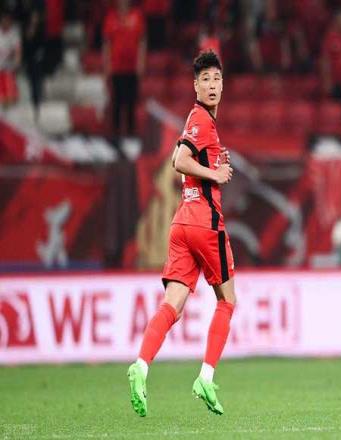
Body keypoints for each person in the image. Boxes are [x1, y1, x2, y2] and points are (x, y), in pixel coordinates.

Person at [127, 50, 235, 417]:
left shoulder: (196, 120)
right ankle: (206, 377)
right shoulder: (201, 119)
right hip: (205, 222)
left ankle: (141, 366)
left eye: (216, 78)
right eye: (205, 79)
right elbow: (179, 161)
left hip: (181, 224)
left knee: (171, 305)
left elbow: (186, 153)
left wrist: (214, 165)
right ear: (195, 86)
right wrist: (214, 174)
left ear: (223, 84)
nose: (212, 85)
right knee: (227, 300)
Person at [103, 0, 146, 138]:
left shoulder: (137, 16)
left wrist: (141, 62)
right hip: (116, 68)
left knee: (131, 103)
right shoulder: (111, 17)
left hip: (132, 68)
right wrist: (106, 64)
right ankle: (115, 135)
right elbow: (107, 43)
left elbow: (142, 41)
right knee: (116, 102)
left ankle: (130, 134)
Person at [0, 9, 21, 109]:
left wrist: (17, 63)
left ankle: (9, 108)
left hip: (8, 68)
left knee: (10, 97)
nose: (6, 23)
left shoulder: (14, 34)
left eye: (7, 21)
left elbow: (17, 50)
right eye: (4, 20)